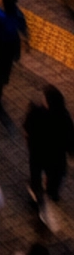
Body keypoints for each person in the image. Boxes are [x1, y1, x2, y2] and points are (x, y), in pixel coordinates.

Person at [25, 85, 74, 224]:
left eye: (45, 99)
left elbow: (27, 130)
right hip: (56, 158)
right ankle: (51, 195)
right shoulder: (64, 117)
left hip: (38, 153)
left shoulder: (37, 112)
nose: (42, 100)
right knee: (55, 178)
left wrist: (29, 143)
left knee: (35, 175)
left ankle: (37, 197)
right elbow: (70, 140)